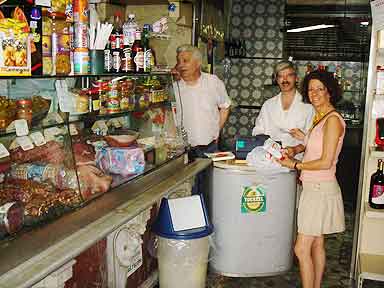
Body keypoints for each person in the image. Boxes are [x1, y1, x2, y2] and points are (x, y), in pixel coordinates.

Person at [277, 70, 345, 288]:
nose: (314, 93)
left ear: (329, 92)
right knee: (316, 244)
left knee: (301, 248)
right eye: (311, 89)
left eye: (320, 89)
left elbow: (326, 160)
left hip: (319, 188)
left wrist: (295, 164)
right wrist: (295, 147)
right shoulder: (321, 118)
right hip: (315, 187)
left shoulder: (332, 120)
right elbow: (312, 145)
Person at [172, 44, 231, 159]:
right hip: (180, 148)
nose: (181, 65)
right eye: (179, 61)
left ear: (198, 63)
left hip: (208, 146)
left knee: (205, 177)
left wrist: (216, 130)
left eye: (185, 61)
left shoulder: (213, 82)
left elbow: (225, 106)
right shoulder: (174, 86)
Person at [252, 60, 314, 153]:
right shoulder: (268, 105)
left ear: (296, 78)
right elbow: (258, 132)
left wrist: (298, 146)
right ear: (276, 80)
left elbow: (314, 140)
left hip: (296, 159)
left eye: (289, 75)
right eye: (280, 76)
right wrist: (269, 145)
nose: (285, 80)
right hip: (269, 157)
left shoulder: (308, 106)